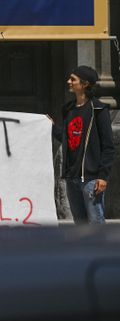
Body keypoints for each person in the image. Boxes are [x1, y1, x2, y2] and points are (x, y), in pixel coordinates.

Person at [52, 65, 115, 225]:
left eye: (73, 79)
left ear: (85, 84)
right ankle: (86, 251)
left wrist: (103, 176)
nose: (69, 82)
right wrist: (50, 127)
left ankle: (102, 251)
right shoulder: (68, 109)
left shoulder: (99, 109)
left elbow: (108, 146)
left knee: (95, 222)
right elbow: (67, 139)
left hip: (91, 178)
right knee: (80, 225)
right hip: (71, 176)